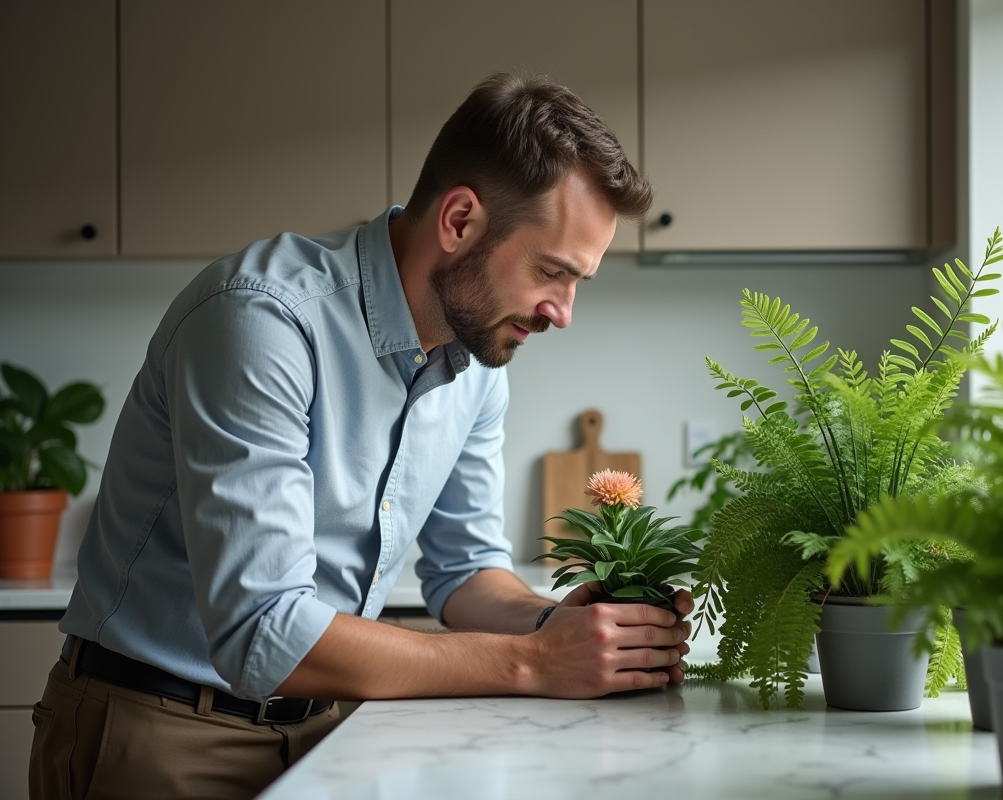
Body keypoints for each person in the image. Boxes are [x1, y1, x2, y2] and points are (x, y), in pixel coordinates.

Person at [29, 73, 693, 800]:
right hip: (160, 732)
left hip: (332, 728)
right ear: (461, 220)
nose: (562, 313)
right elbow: (264, 632)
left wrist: (562, 626)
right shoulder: (262, 322)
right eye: (551, 271)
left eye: (579, 283)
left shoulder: (477, 360)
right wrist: (531, 663)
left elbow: (466, 570)